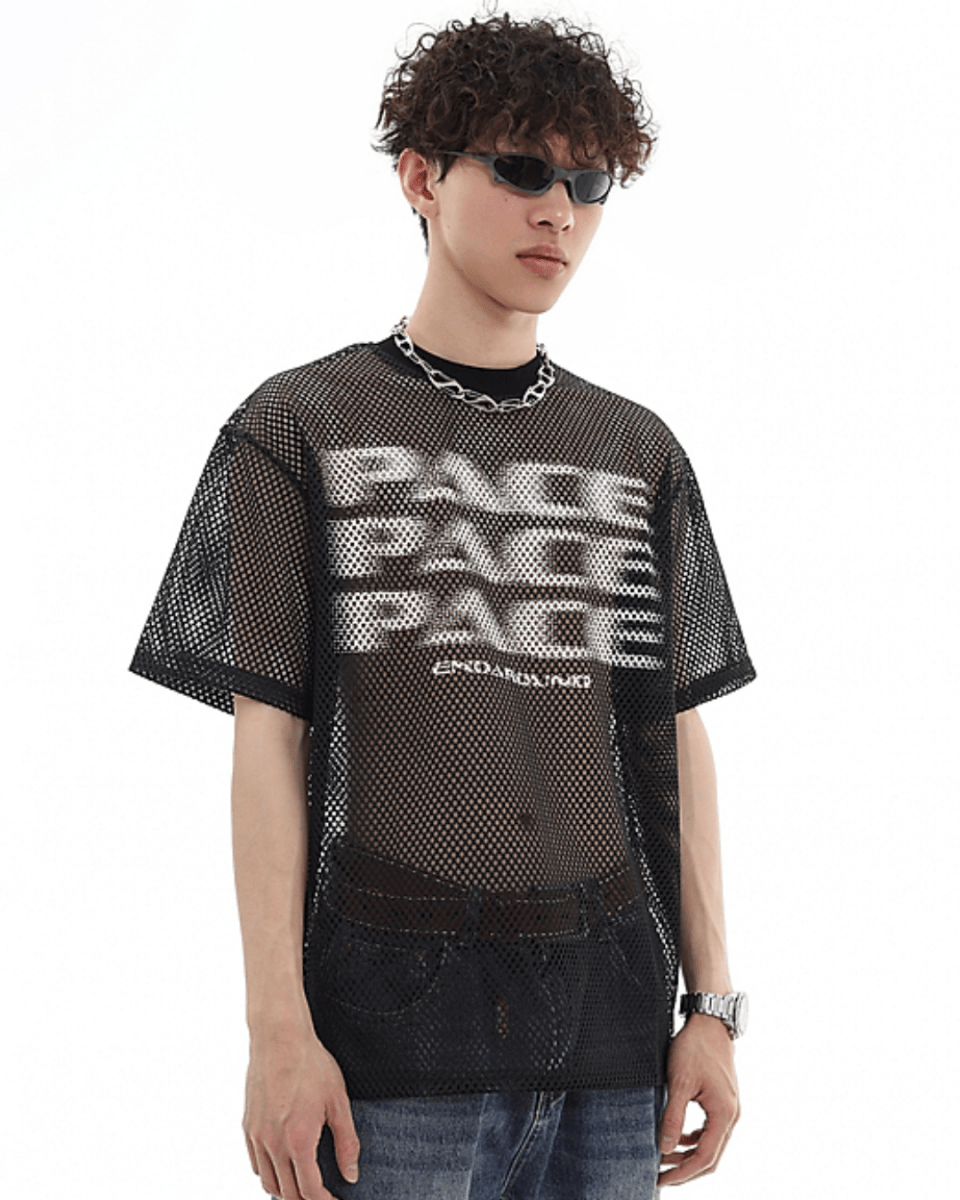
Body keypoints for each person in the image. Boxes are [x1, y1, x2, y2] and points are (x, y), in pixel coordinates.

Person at [128, 5, 756, 1198]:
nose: (559, 211)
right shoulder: (301, 428)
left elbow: (675, 734)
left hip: (613, 1028)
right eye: (522, 169)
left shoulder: (635, 452)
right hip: (391, 1033)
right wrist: (275, 1028)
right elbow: (269, 741)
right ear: (421, 177)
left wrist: (713, 1007)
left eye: (589, 181)